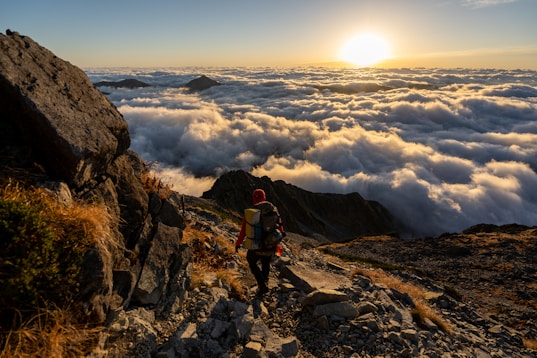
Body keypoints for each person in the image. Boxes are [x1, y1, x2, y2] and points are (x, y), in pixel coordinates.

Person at [235, 189, 285, 296]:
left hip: (256, 245)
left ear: (254, 198)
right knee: (265, 262)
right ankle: (265, 282)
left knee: (252, 262)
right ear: (264, 197)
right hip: (271, 243)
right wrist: (279, 239)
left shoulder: (252, 212)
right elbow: (280, 226)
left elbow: (243, 230)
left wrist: (238, 243)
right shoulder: (273, 209)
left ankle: (262, 286)